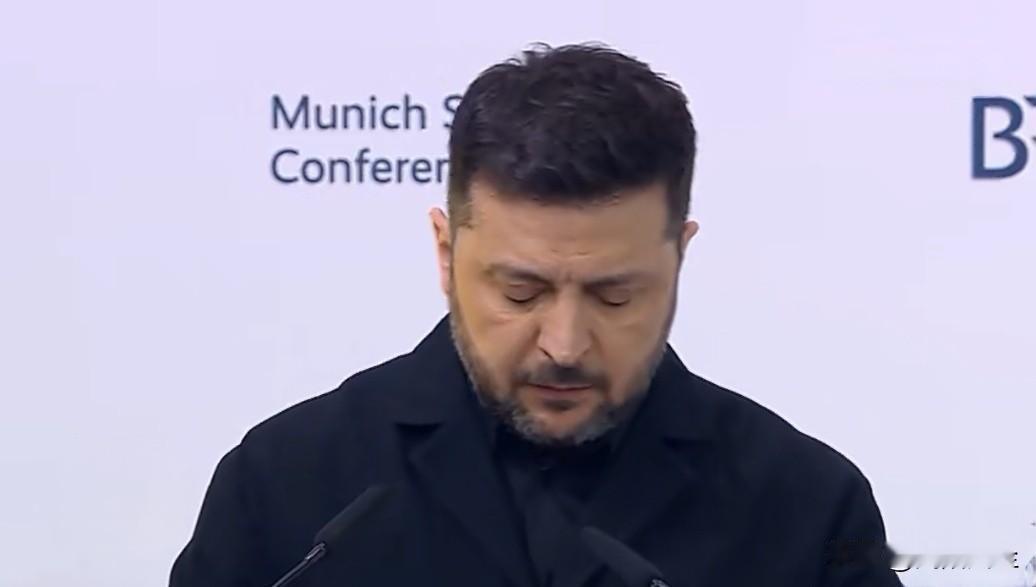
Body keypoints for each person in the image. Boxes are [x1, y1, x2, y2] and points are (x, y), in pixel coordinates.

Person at [170, 43, 903, 587]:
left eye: (614, 296)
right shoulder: (289, 487)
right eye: (520, 293)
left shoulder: (804, 506)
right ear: (445, 252)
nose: (564, 343)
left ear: (680, 256)